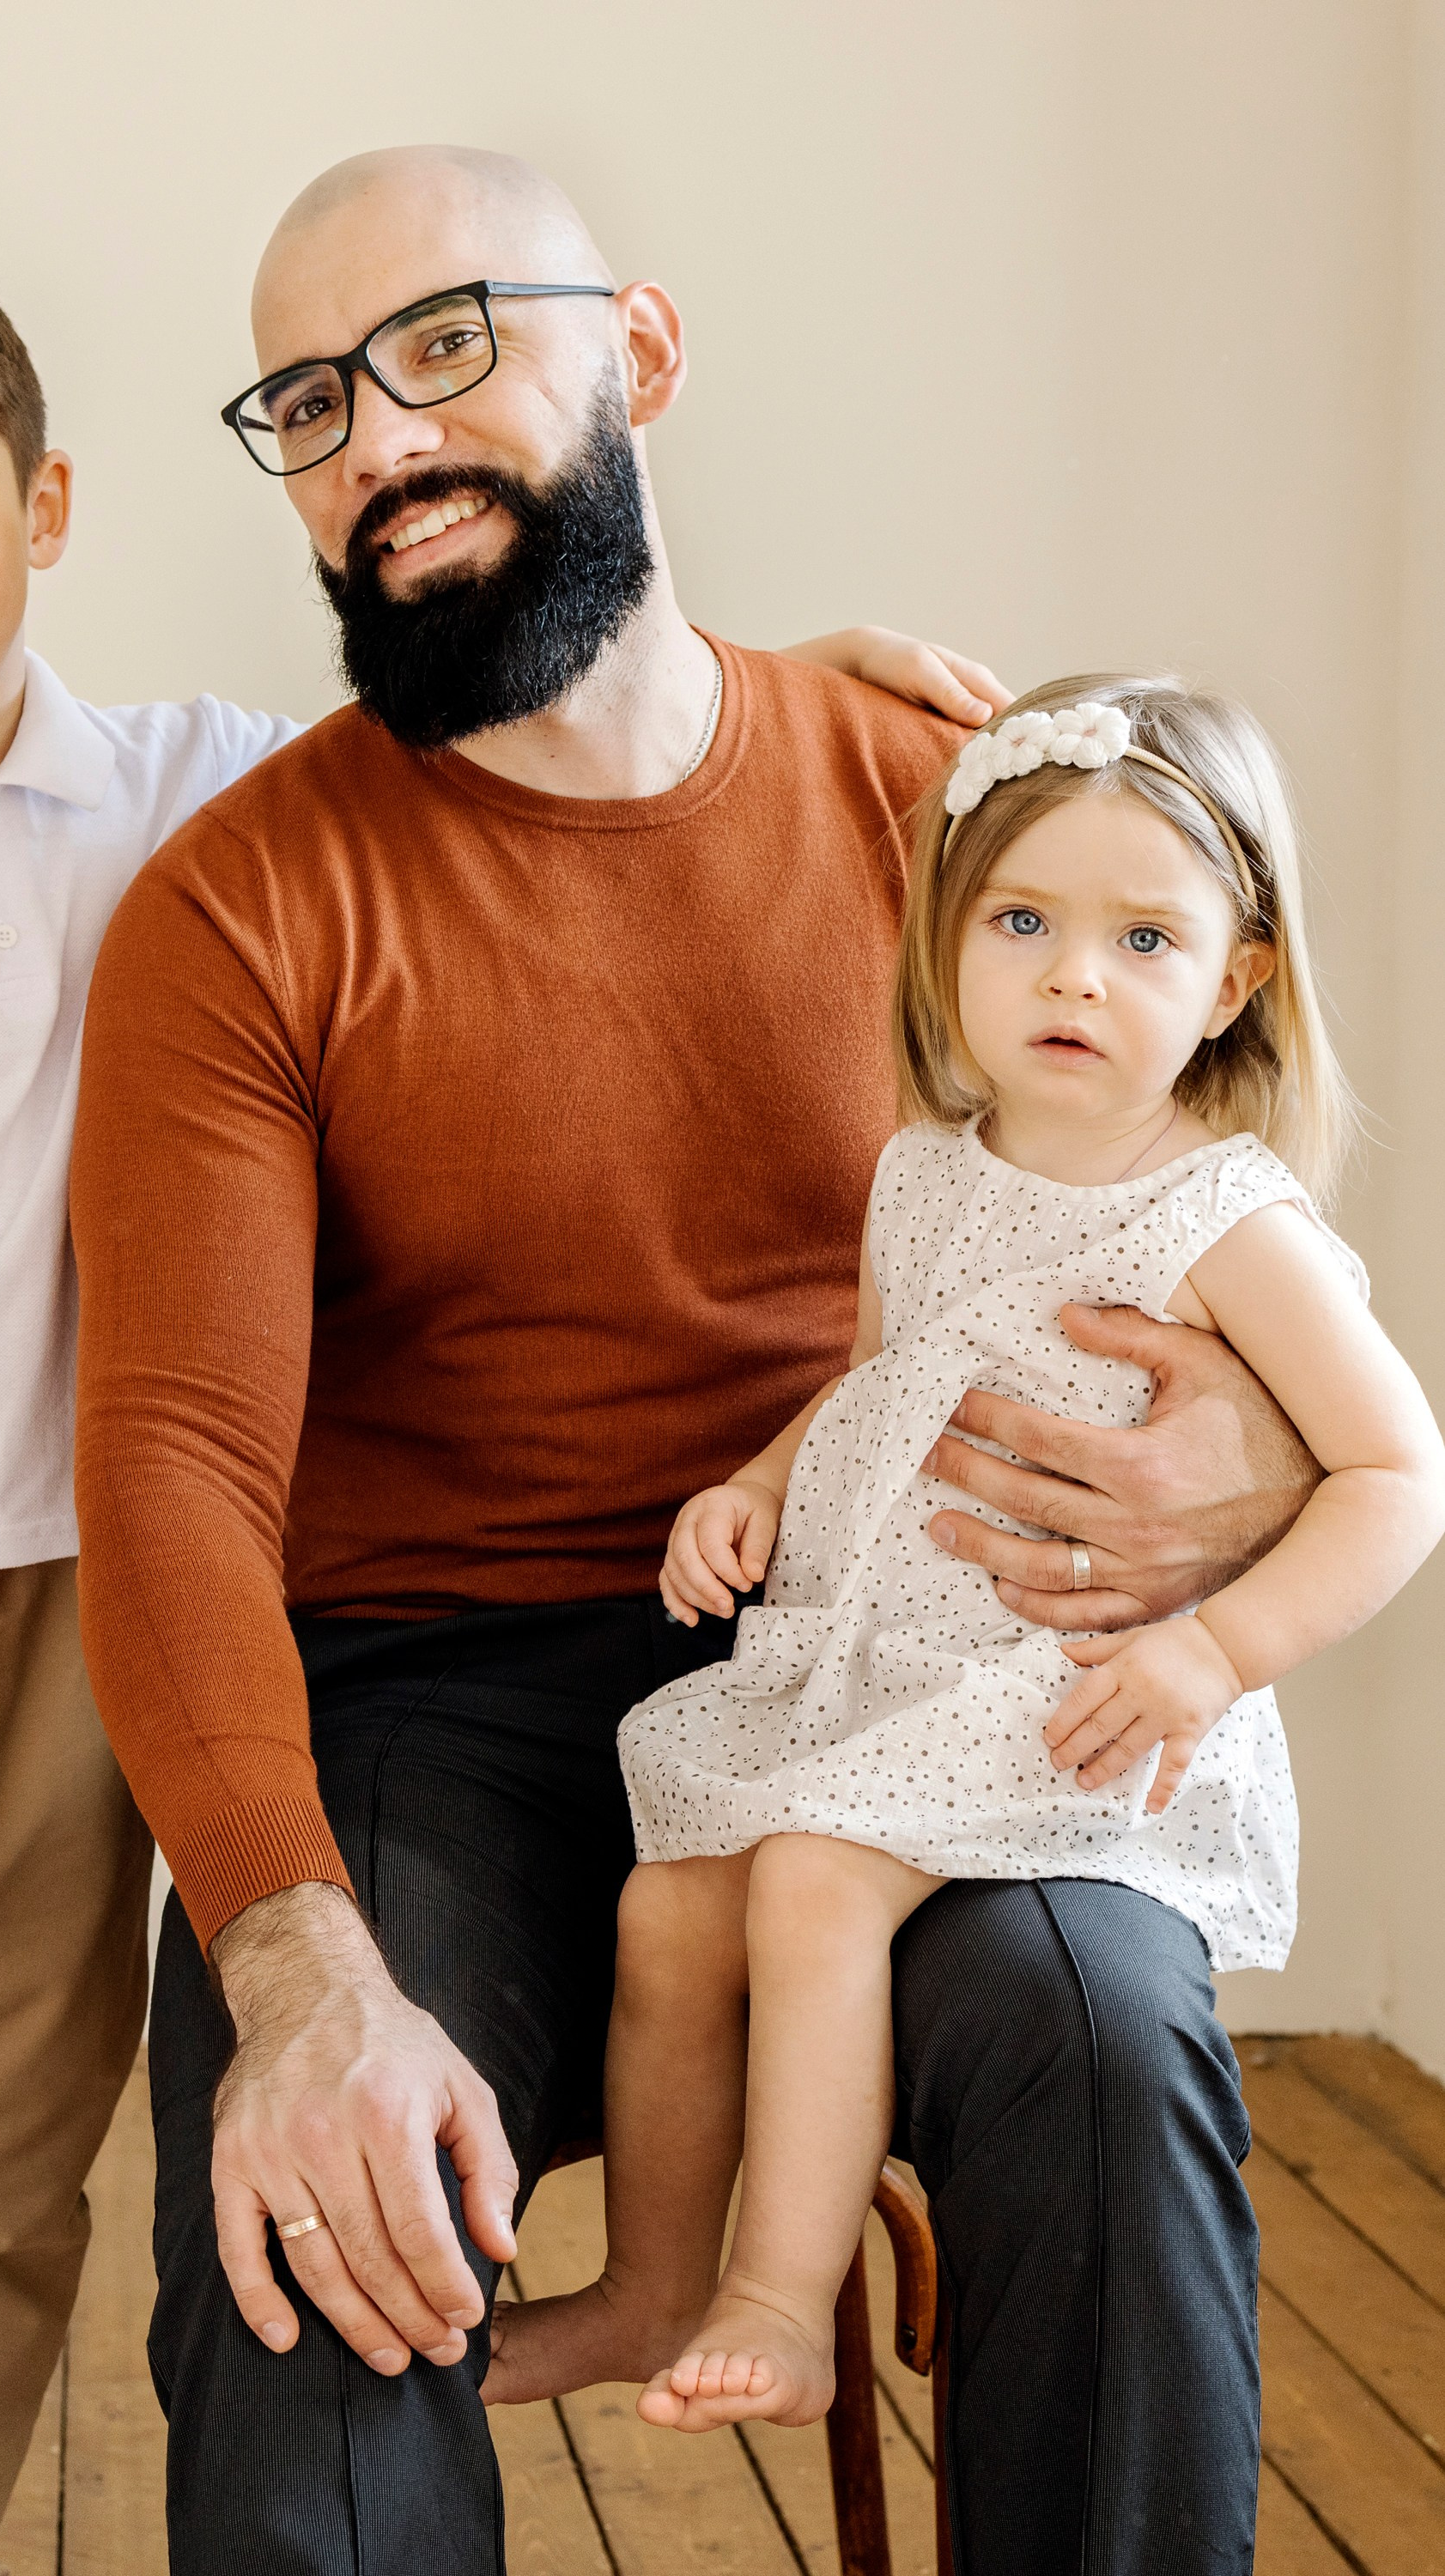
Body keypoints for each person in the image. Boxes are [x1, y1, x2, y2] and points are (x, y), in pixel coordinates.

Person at [0, 230, 973, 2575]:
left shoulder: (187, 790)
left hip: (59, 1644)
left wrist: (796, 680)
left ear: (52, 510)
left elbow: (558, 705)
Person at [70, 148, 1327, 2574]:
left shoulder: (939, 811)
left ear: (636, 355)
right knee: (315, 2184)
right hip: (438, 1696)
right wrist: (292, 1955)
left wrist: (1254, 1453)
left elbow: (1209, 1216)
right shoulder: (232, 914)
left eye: (448, 346)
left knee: (1102, 2034)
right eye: (313, 400)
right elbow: (170, 1466)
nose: (377, 440)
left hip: (906, 1642)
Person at [490, 675, 1445, 2438]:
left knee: (810, 1878)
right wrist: (761, 1484)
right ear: (948, 945)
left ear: (1234, 977)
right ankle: (646, 2288)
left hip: (1067, 1687)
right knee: (672, 1904)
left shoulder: (1221, 1219)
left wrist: (1218, 1653)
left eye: (1145, 936)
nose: (1076, 975)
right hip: (882, 1663)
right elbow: (881, 1381)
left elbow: (1399, 1472)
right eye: (1025, 921)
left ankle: (778, 2303)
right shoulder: (926, 1174)